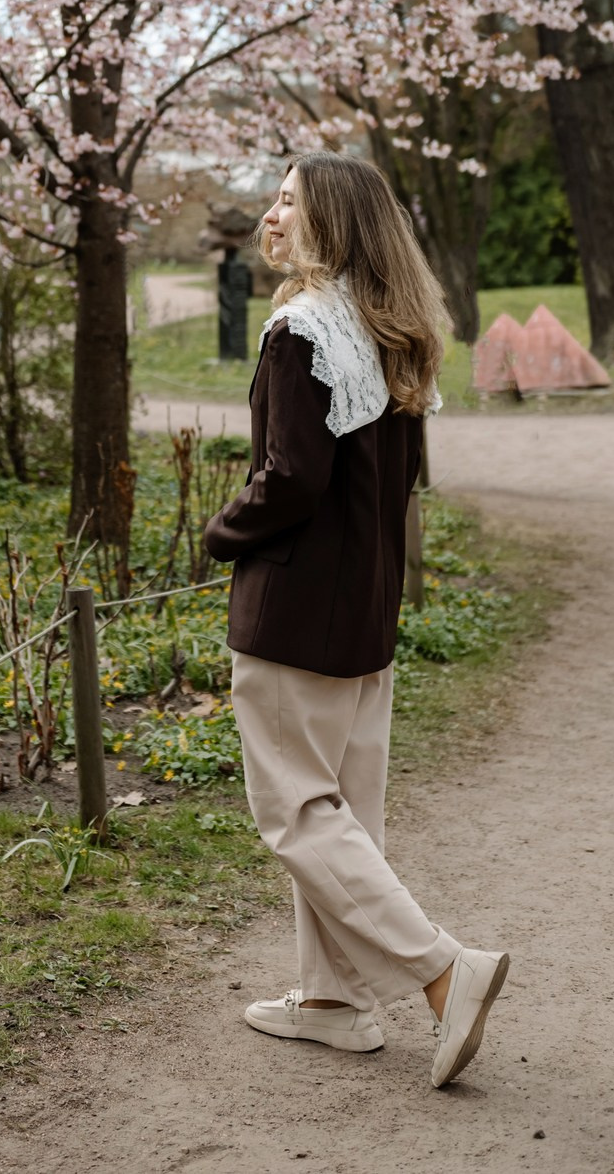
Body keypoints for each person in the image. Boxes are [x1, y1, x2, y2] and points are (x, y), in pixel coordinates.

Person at [203, 152, 508, 1089]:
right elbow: (398, 483)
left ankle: (443, 972)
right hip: (363, 611)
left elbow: (291, 477)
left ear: (332, 221)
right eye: (273, 199)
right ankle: (334, 1002)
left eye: (290, 201)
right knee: (344, 816)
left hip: (295, 612)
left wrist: (221, 534)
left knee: (297, 811)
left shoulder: (300, 330)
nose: (271, 215)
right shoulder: (391, 332)